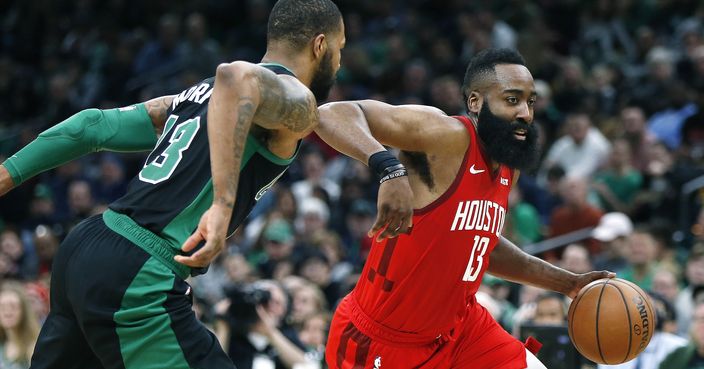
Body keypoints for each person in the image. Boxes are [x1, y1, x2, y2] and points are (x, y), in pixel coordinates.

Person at [0, 1, 414, 368]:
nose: (340, 63)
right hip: (140, 269)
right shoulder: (292, 98)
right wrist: (222, 203)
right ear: (320, 45)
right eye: (340, 50)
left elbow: (92, 125)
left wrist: (6, 174)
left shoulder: (196, 96)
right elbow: (236, 76)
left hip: (87, 247)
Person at [316, 48, 614, 369]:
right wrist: (389, 169)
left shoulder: (506, 167)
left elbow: (483, 245)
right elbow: (332, 113)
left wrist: (567, 283)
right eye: (512, 100)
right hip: (383, 339)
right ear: (475, 102)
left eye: (530, 101)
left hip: (461, 330)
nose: (526, 113)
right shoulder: (447, 136)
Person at [0, 282, 40, 369]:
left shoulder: (34, 348)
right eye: (2, 307)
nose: (7, 312)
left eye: (13, 306)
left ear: (24, 311)